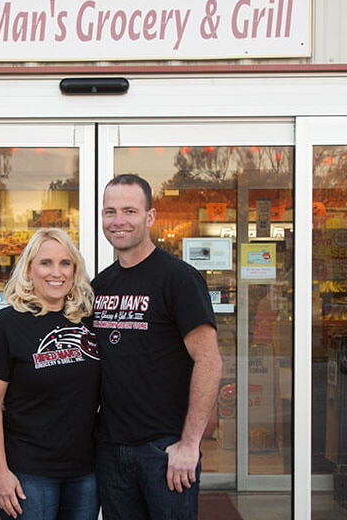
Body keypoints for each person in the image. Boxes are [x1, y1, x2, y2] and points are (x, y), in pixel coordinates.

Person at [92, 174, 223, 520]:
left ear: (150, 217)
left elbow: (208, 361)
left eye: (129, 211)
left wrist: (189, 444)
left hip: (164, 451)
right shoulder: (99, 285)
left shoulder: (178, 278)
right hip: (110, 448)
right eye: (110, 212)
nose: (118, 221)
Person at [0, 228, 100, 520]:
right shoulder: (5, 324)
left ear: (75, 271)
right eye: (46, 263)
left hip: (85, 472)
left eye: (65, 263)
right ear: (29, 269)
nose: (56, 272)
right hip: (28, 473)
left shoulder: (87, 321)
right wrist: (0, 473)